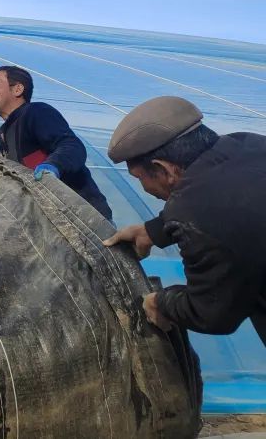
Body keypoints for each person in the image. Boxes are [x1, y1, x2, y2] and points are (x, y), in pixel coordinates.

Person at [103, 96, 265, 345]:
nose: (144, 187)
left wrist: (160, 302)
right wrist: (153, 231)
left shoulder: (197, 211)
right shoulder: (247, 143)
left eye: (140, 178)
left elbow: (212, 312)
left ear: (164, 169)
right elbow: (232, 203)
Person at [0, 65, 113, 219]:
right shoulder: (6, 134)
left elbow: (72, 146)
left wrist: (52, 166)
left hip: (86, 219)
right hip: (54, 220)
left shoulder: (35, 112)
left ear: (18, 89)